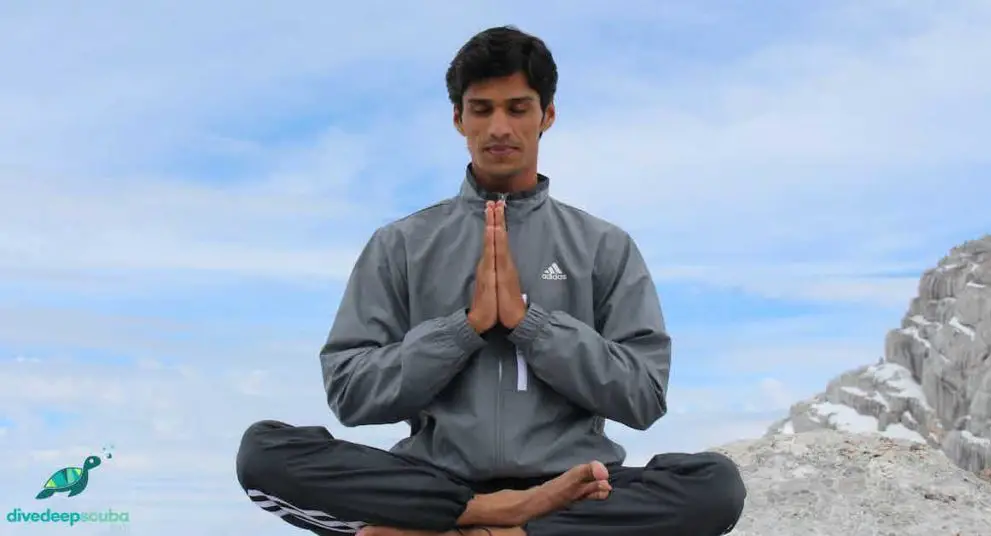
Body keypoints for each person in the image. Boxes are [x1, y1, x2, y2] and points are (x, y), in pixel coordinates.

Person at [235, 25, 746, 536]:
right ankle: (480, 517)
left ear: (547, 115)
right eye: (482, 109)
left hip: (570, 489)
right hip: (435, 478)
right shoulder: (402, 243)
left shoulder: (603, 245)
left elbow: (644, 395)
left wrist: (533, 325)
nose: (499, 126)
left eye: (517, 108)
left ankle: (499, 528)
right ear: (459, 118)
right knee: (264, 451)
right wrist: (465, 327)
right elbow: (350, 392)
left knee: (715, 485)